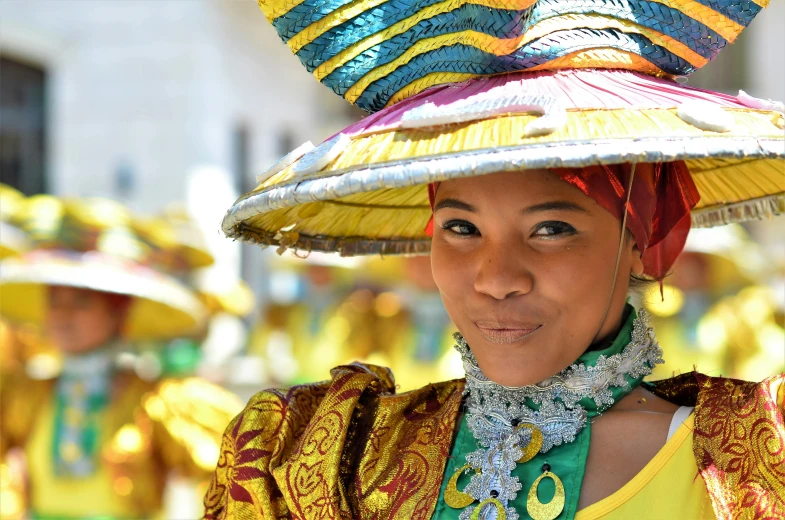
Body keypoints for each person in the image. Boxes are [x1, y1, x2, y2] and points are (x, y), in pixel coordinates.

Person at [204, 1, 784, 518]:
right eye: (461, 228)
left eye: (551, 229)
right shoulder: (334, 464)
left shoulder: (751, 467)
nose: (497, 279)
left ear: (643, 231)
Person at [0, 196, 240, 519]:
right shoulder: (24, 397)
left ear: (119, 312)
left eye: (82, 301)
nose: (63, 316)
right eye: (55, 301)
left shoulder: (160, 403)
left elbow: (235, 479)